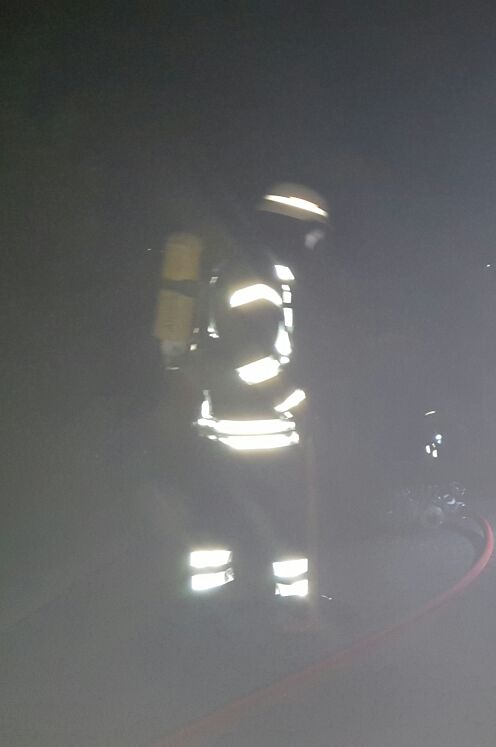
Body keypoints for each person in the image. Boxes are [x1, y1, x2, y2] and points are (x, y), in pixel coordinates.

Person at [177, 182, 329, 613]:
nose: (314, 244)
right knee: (281, 522)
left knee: (219, 524)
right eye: (310, 233)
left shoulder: (241, 268)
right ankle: (292, 607)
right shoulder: (256, 276)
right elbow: (253, 358)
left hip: (224, 428)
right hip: (257, 431)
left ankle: (213, 611)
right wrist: (297, 404)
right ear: (290, 230)